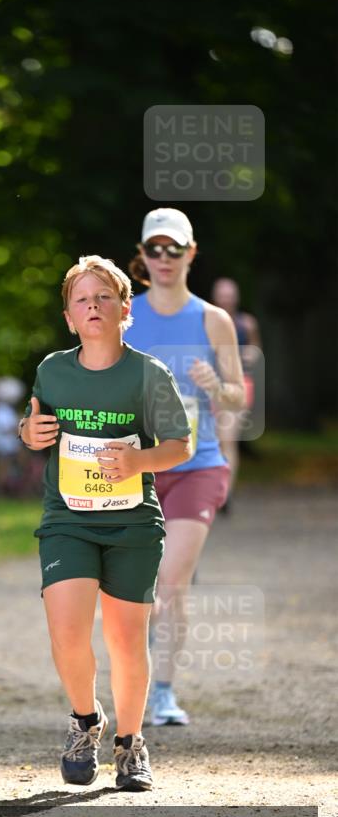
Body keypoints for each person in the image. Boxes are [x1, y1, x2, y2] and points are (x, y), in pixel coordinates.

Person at [18, 255, 191, 791]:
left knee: (124, 639)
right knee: (67, 632)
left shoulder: (147, 374)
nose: (93, 306)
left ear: (124, 309)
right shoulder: (53, 369)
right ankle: (86, 721)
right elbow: (34, 425)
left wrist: (139, 461)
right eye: (81, 300)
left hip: (132, 525)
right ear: (70, 317)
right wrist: (29, 434)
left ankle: (131, 744)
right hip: (67, 519)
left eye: (103, 298)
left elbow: (180, 446)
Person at [125, 209, 245, 726]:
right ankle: (134, 683)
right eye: (156, 249)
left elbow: (239, 397)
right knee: (138, 590)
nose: (164, 259)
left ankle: (163, 694)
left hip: (199, 465)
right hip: (140, 466)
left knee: (171, 584)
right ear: (143, 255)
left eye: (175, 249)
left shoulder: (212, 320)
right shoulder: (125, 315)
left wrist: (216, 386)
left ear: (191, 253)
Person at [210, 278, 261, 504]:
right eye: (222, 294)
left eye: (230, 294)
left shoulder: (247, 324)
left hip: (238, 387)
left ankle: (226, 494)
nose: (226, 299)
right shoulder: (207, 321)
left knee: (228, 440)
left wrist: (248, 356)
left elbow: (255, 353)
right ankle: (214, 489)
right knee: (213, 441)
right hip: (211, 387)